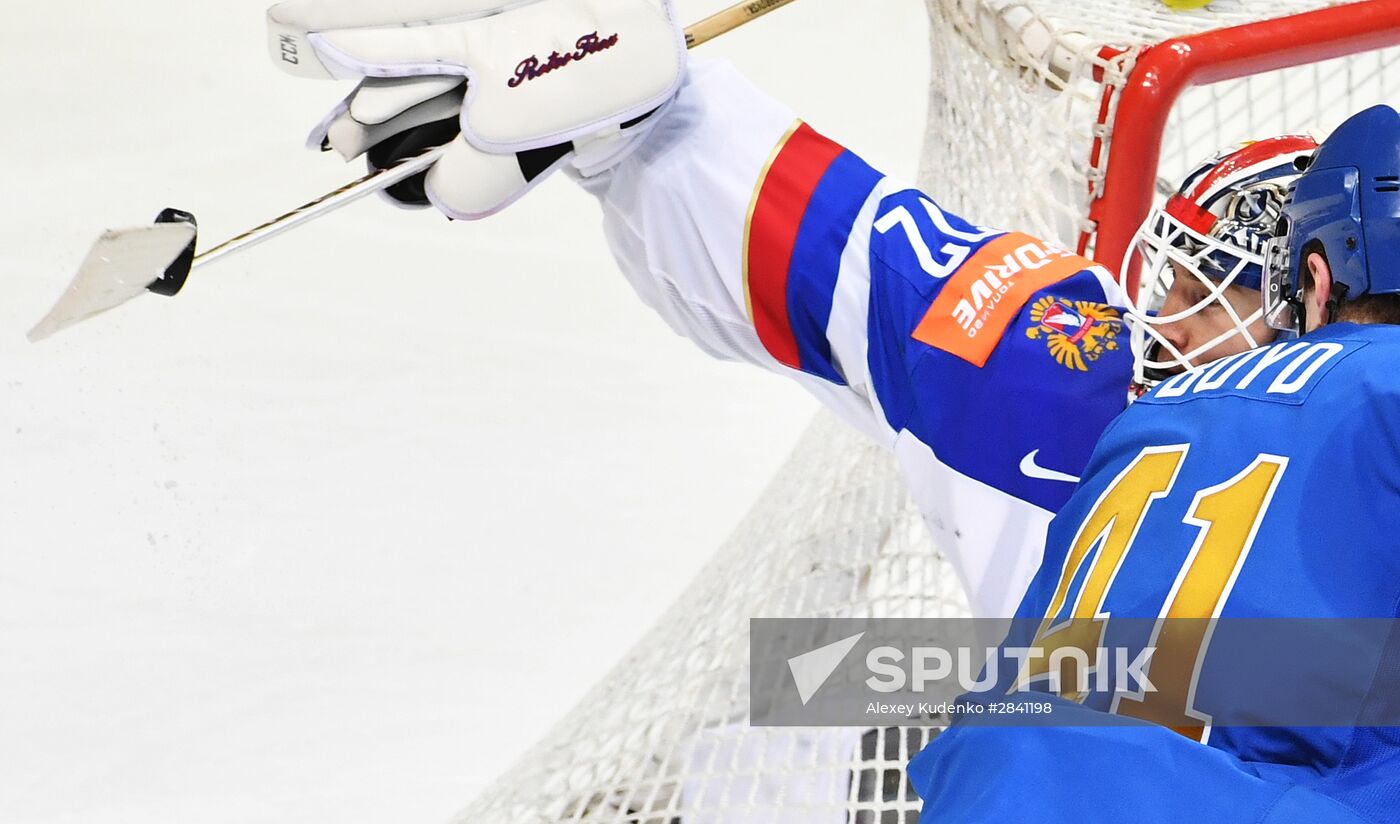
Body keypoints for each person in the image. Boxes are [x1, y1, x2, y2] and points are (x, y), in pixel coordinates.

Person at [264, 0, 1306, 620]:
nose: (1161, 315)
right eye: (1171, 277)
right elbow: (848, 252)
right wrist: (644, 119)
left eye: (1206, 291)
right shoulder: (1063, 366)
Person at [906, 104, 1400, 823]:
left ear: (1314, 283)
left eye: (1200, 296)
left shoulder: (1140, 416)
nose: (1170, 324)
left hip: (991, 791)